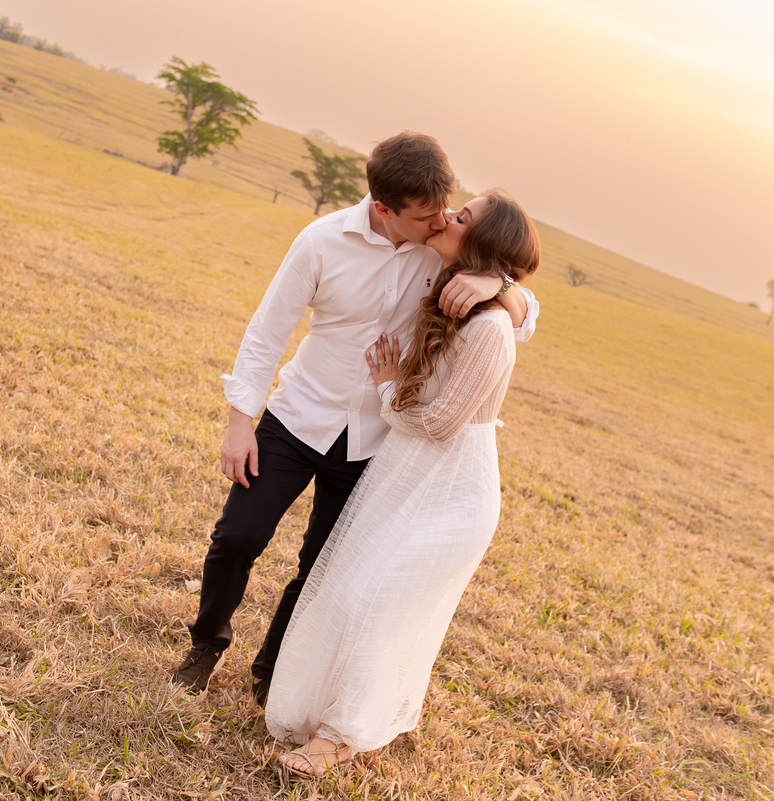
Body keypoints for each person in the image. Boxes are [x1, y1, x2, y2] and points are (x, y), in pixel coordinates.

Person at [169, 133, 540, 704]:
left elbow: (522, 317)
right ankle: (205, 645)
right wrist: (240, 421)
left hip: (377, 440)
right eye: (426, 215)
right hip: (297, 418)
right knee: (237, 536)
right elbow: (268, 331)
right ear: (385, 208)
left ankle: (272, 673)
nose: (442, 220)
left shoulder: (440, 246)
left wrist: (499, 284)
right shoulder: (321, 242)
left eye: (447, 206)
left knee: (320, 568)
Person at [264, 189, 539, 777]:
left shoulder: (491, 326)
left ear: (483, 244)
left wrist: (389, 389)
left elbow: (441, 423)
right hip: (403, 476)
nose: (447, 218)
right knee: (349, 591)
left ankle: (342, 737)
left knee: (379, 602)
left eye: (462, 218)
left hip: (451, 491)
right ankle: (325, 710)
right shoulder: (437, 279)